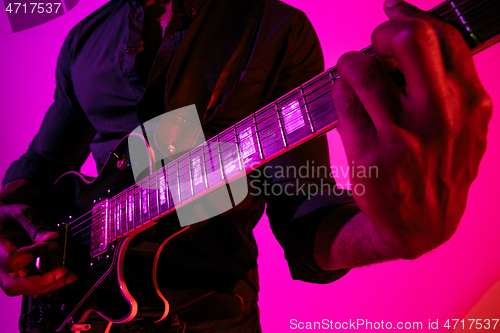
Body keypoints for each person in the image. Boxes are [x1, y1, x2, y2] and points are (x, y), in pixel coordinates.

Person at [0, 0, 492, 332]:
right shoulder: (85, 40)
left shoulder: (275, 29)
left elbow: (308, 221)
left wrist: (394, 234)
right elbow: (41, 165)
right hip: (77, 310)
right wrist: (10, 222)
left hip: (213, 315)